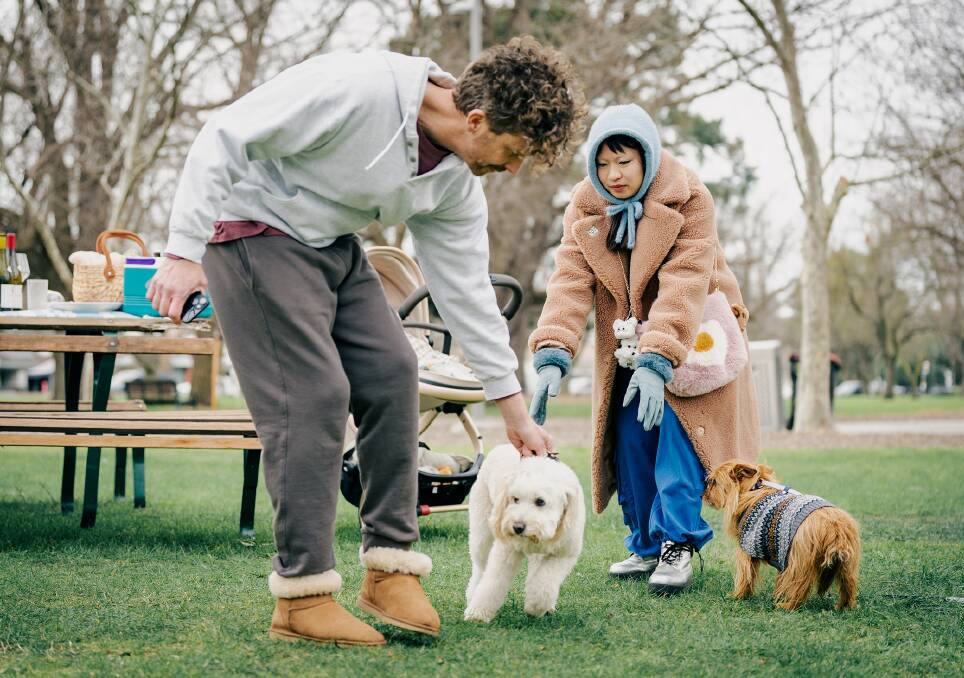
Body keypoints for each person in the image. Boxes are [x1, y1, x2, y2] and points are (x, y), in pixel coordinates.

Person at [147, 37, 585, 646]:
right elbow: (224, 135)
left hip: (332, 244)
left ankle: (389, 568)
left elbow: (467, 291)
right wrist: (181, 251)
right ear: (476, 120)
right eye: (512, 153)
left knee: (393, 374)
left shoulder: (454, 183)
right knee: (314, 398)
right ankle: (302, 596)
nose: (512, 170)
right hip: (252, 229)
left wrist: (514, 411)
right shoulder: (359, 88)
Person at [528, 104, 759, 596]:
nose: (613, 174)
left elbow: (685, 282)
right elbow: (569, 281)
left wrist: (658, 360)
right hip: (629, 344)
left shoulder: (689, 197)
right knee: (631, 436)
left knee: (678, 438)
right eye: (603, 163)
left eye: (624, 161)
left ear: (647, 157)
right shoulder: (585, 206)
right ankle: (646, 543)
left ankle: (678, 542)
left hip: (695, 337)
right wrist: (553, 351)